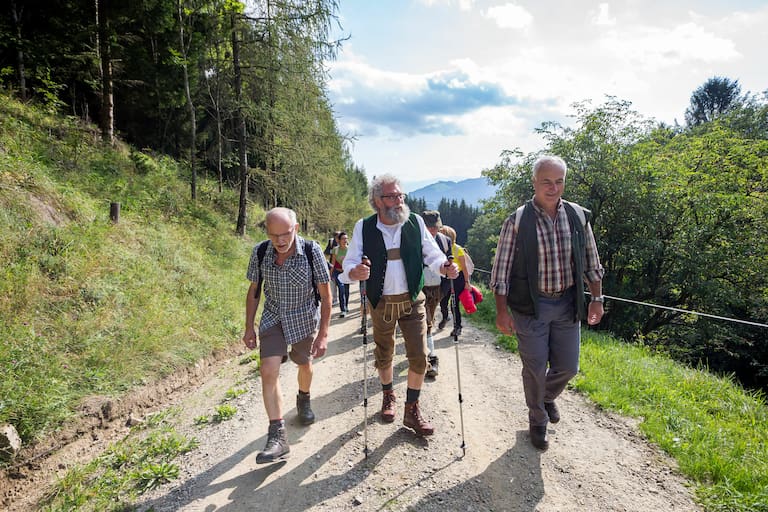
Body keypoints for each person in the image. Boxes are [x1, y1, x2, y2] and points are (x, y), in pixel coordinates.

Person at [490, 155, 605, 451]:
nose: (553, 188)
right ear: (534, 183)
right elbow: (501, 270)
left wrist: (596, 299)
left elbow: (591, 261)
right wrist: (502, 311)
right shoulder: (517, 221)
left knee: (568, 367)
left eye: (559, 181)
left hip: (568, 303)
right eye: (546, 182)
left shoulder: (577, 217)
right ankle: (537, 419)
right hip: (530, 305)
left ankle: (546, 397)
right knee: (535, 367)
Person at [341, 175, 458, 437]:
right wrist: (355, 271)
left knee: (420, 356)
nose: (399, 201)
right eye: (392, 196)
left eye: (400, 195)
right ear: (377, 201)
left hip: (412, 300)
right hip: (380, 302)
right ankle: (387, 395)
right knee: (384, 353)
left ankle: (412, 409)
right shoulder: (364, 227)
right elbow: (349, 265)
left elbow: (433, 255)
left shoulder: (415, 222)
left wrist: (445, 267)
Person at [243, 207, 332, 463]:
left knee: (304, 363)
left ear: (296, 229)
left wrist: (323, 334)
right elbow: (254, 291)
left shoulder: (312, 251)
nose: (280, 241)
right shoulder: (261, 252)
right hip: (273, 317)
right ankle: (278, 435)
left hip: (303, 317)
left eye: (285, 234)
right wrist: (249, 326)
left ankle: (303, 398)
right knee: (268, 370)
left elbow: (326, 296)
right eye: (274, 235)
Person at [421, 210, 453, 378]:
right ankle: (430, 358)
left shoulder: (445, 241)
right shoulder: (415, 242)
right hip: (419, 288)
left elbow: (450, 263)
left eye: (436, 227)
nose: (433, 230)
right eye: (429, 227)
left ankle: (423, 353)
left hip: (437, 289)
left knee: (429, 320)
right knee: (425, 323)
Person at [438, 225, 470, 338]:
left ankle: (458, 326)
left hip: (457, 278)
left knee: (454, 304)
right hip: (445, 277)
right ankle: (445, 317)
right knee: (442, 301)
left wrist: (467, 282)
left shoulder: (457, 250)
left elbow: (464, 267)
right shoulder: (440, 249)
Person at [330, 232, 350, 318]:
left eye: (346, 238)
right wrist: (330, 273)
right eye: (343, 239)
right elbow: (333, 263)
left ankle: (346, 305)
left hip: (346, 272)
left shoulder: (350, 250)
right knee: (341, 289)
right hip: (337, 272)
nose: (345, 240)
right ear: (339, 240)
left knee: (346, 290)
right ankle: (343, 310)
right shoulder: (335, 249)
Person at [324, 231, 341, 306]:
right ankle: (334, 299)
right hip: (332, 266)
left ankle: (342, 299)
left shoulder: (344, 241)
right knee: (333, 283)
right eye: (337, 237)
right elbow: (326, 252)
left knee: (341, 284)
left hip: (341, 266)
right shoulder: (331, 242)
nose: (338, 238)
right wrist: (333, 251)